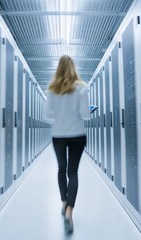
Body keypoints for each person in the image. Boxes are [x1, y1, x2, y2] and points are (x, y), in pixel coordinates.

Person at [43, 55, 90, 234]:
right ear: (73, 68)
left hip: (59, 135)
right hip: (78, 134)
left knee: (61, 169)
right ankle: (70, 211)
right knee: (73, 172)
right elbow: (85, 114)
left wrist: (59, 117)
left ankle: (64, 202)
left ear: (58, 69)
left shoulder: (52, 90)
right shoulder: (81, 88)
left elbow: (47, 115)